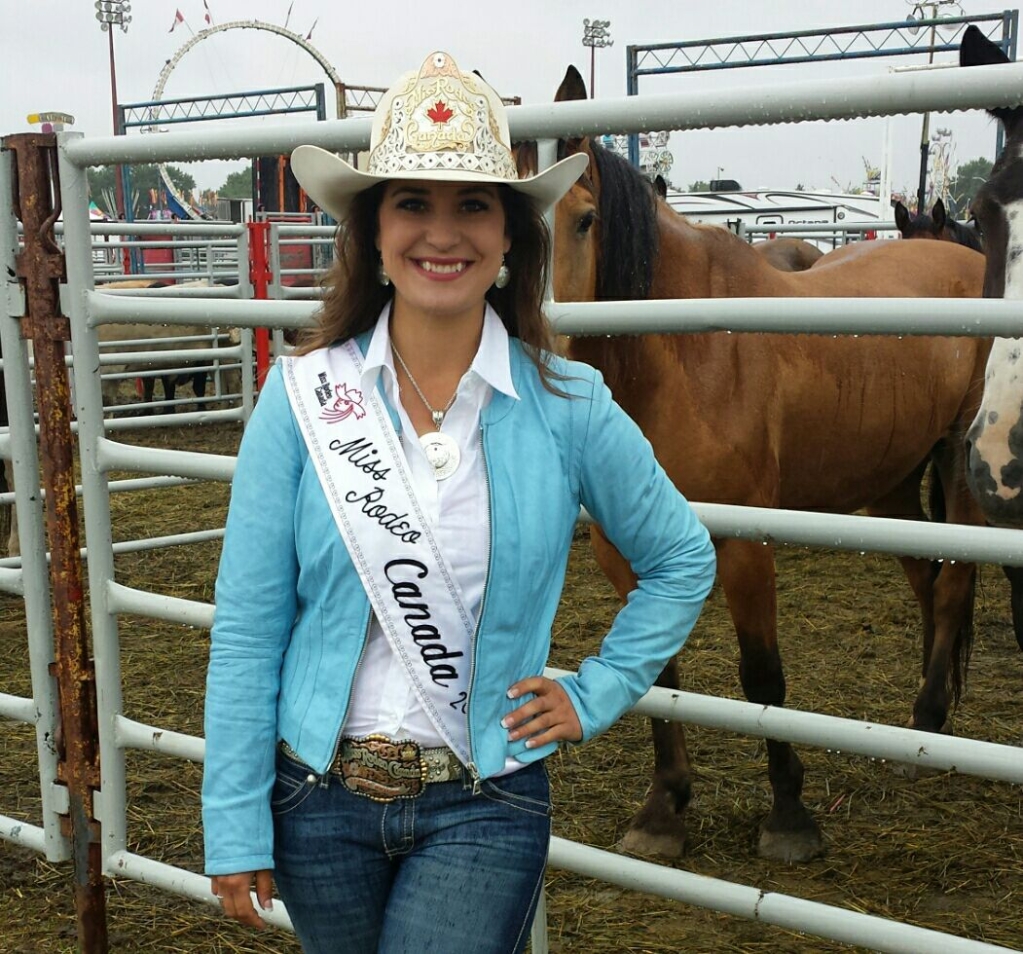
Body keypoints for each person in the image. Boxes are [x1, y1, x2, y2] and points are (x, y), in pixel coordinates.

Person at [202, 50, 716, 954]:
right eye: (413, 202)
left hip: (483, 798)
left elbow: (681, 558)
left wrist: (593, 692)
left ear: (513, 236)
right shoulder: (300, 402)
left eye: (473, 204)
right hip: (314, 800)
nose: (443, 233)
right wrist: (233, 819)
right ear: (372, 233)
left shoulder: (569, 406)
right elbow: (249, 626)